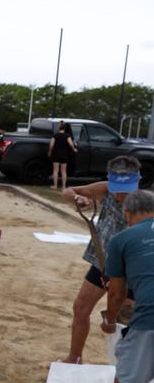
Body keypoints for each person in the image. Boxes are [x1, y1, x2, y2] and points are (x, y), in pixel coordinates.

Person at [59, 155, 141, 364]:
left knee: (125, 319)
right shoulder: (105, 189)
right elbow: (67, 192)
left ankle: (124, 370)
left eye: (127, 188)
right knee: (80, 308)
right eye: (117, 188)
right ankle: (74, 358)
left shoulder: (145, 204)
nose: (121, 194)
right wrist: (78, 199)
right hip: (102, 262)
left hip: (130, 270)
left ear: (137, 182)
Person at [101, 190, 154, 383]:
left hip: (149, 320)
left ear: (128, 214)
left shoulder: (122, 238)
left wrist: (110, 320)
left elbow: (116, 295)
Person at [48, 121, 77, 190]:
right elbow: (70, 144)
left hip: (56, 155)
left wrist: (50, 152)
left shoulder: (55, 135)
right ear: (65, 128)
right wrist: (74, 149)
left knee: (55, 171)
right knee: (63, 171)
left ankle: (55, 186)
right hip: (64, 155)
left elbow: (51, 145)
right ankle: (64, 187)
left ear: (59, 128)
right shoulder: (67, 136)